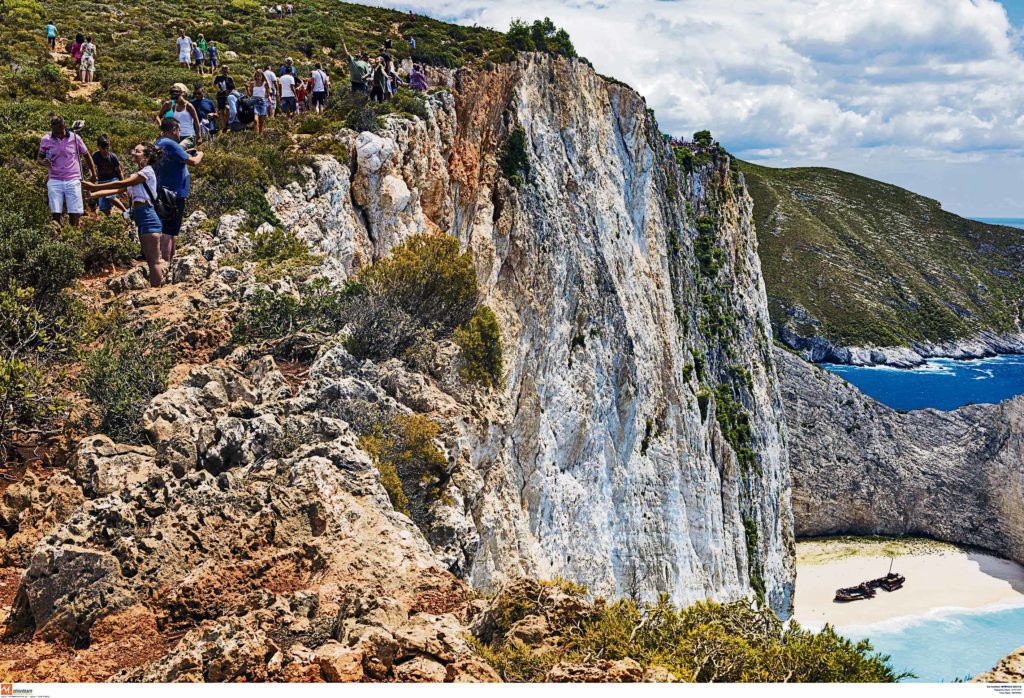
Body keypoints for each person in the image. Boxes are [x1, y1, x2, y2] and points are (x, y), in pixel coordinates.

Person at [82, 143, 165, 286]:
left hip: (148, 217)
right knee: (150, 260)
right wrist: (93, 194)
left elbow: (121, 183)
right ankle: (156, 288)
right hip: (142, 217)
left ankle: (159, 291)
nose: (133, 153)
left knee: (154, 261)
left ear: (146, 156)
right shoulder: (139, 174)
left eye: (137, 151)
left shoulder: (147, 172)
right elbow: (117, 190)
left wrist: (95, 186)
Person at [155, 118, 202, 264]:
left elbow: (174, 157)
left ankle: (170, 262)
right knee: (169, 232)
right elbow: (193, 162)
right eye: (179, 130)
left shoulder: (160, 143)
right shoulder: (171, 144)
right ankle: (165, 263)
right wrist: (200, 154)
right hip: (174, 194)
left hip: (166, 193)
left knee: (171, 230)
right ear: (174, 130)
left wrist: (185, 152)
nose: (180, 133)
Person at [38, 115, 97, 227]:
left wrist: (93, 173)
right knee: (55, 212)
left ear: (64, 126)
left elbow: (86, 155)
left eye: (60, 129)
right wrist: (43, 162)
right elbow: (39, 158)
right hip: (55, 179)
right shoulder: (46, 139)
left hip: (73, 179)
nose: (58, 133)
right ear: (51, 128)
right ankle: (57, 236)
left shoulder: (75, 138)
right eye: (55, 130)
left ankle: (74, 235)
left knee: (74, 212)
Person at [157, 83, 202, 148]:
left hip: (189, 136)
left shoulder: (188, 106)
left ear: (181, 95)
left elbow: (196, 121)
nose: (174, 100)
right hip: (177, 136)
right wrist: (163, 128)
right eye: (173, 99)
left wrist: (199, 136)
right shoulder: (174, 106)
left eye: (176, 98)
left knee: (179, 148)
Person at [92, 135, 123, 215]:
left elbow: (119, 171)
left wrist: (123, 184)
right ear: (98, 147)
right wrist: (93, 175)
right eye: (103, 148)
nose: (105, 150)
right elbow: (91, 167)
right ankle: (109, 222)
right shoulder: (96, 156)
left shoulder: (112, 156)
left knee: (110, 196)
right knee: (103, 207)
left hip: (113, 180)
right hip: (102, 182)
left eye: (107, 148)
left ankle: (126, 211)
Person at [248, 69, 270, 135]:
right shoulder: (252, 83)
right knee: (255, 120)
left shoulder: (265, 84)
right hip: (254, 102)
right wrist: (246, 88)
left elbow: (267, 94)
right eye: (256, 76)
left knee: (262, 122)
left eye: (259, 76)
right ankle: (256, 135)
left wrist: (266, 96)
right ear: (255, 76)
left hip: (262, 102)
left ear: (262, 76)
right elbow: (250, 95)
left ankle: (260, 136)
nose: (258, 77)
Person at [213, 65, 235, 131]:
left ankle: (228, 123)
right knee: (221, 111)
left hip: (227, 97)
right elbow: (214, 85)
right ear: (222, 70)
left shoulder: (230, 78)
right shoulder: (218, 77)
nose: (225, 71)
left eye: (226, 69)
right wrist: (217, 89)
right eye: (223, 69)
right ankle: (224, 127)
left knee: (228, 109)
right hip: (220, 96)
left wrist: (228, 92)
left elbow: (233, 88)